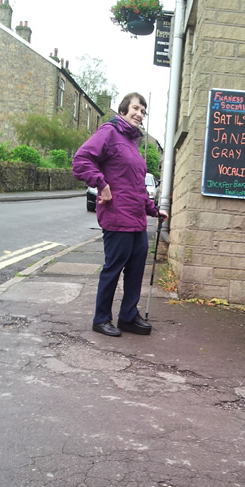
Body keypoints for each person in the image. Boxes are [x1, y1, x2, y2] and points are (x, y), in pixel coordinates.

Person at [72, 92, 168, 337]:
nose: (139, 114)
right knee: (113, 268)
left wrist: (153, 210)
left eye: (143, 111)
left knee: (136, 268)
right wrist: (101, 184)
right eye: (135, 108)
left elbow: (136, 185)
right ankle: (101, 318)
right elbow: (81, 160)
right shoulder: (109, 133)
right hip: (116, 215)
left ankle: (127, 316)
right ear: (123, 110)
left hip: (136, 218)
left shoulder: (133, 142)